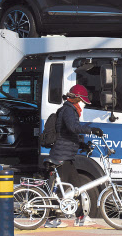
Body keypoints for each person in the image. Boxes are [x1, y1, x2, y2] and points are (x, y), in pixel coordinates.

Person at [44, 84, 103, 228]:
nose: (83, 104)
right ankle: (51, 220)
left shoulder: (70, 110)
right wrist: (91, 130)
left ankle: (81, 217)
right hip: (61, 156)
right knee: (61, 190)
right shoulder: (69, 110)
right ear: (76, 98)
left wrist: (82, 145)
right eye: (82, 101)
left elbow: (68, 134)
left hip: (66, 155)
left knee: (76, 188)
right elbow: (73, 128)